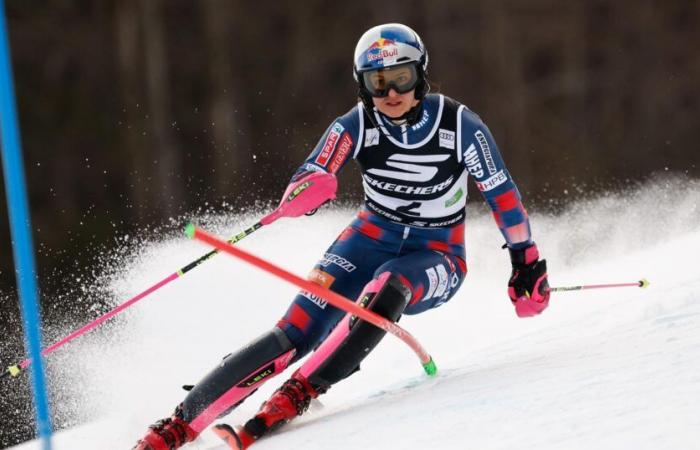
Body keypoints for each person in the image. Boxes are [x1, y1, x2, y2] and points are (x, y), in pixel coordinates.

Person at [134, 23, 550, 450]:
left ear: (421, 74)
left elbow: (502, 196)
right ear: (362, 85)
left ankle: (300, 391)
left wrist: (526, 261)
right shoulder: (357, 123)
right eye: (378, 83)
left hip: (438, 253)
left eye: (402, 78)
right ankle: (177, 426)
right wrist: (307, 190)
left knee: (389, 286)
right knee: (294, 332)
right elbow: (313, 170)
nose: (391, 93)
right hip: (367, 238)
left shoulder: (461, 125)